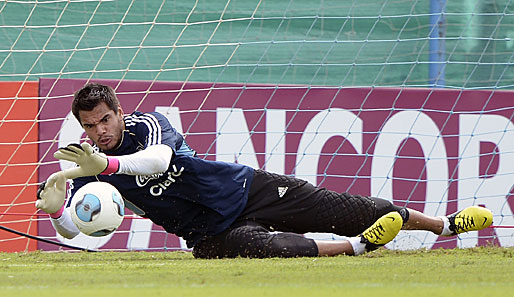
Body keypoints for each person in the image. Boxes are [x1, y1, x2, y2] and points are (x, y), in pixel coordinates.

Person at [36, 83, 493, 258]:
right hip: (208, 232)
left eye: (105, 121)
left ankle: (444, 225)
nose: (100, 132)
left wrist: (107, 164)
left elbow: (160, 162)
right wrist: (59, 213)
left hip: (245, 189)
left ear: (119, 111)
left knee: (348, 207)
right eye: (90, 127)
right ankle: (356, 248)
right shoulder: (85, 164)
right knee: (268, 247)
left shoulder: (148, 124)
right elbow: (79, 231)